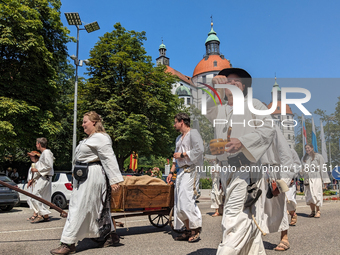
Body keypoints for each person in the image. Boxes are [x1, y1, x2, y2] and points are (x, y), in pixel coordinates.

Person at [207, 68, 275, 255]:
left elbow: (269, 129)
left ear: (243, 87)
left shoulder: (254, 104)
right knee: (246, 217)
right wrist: (215, 88)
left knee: (232, 217)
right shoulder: (220, 109)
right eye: (228, 81)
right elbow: (205, 109)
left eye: (236, 81)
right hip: (226, 172)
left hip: (247, 168)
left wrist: (243, 142)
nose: (232, 83)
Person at [50, 111, 124, 255]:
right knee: (96, 208)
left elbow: (109, 157)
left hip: (93, 175)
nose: (82, 124)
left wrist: (114, 180)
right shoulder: (88, 139)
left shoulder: (101, 138)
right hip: (83, 175)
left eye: (85, 122)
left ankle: (68, 242)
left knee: (78, 207)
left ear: (94, 123)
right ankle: (110, 235)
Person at [166, 112, 204, 243]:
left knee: (187, 199)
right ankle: (187, 230)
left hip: (191, 169)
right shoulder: (178, 138)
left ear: (182, 121)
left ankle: (195, 229)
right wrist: (171, 172)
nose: (174, 124)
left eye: (175, 122)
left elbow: (200, 150)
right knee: (180, 201)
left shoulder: (193, 134)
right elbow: (175, 157)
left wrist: (182, 154)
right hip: (181, 172)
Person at [27, 138, 54, 223]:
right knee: (43, 197)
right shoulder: (44, 154)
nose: (36, 145)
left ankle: (41, 214)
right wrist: (33, 179)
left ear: (39, 144)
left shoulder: (46, 153)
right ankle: (45, 216)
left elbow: (49, 166)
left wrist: (37, 170)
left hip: (45, 177)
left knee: (35, 195)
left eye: (36, 144)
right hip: (43, 176)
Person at [301, 143, 330, 218]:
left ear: (312, 148)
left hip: (316, 177)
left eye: (308, 148)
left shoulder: (318, 156)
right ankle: (312, 211)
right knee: (309, 195)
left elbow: (323, 169)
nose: (307, 149)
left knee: (316, 194)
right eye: (306, 148)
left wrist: (325, 181)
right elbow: (301, 169)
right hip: (307, 178)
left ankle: (318, 211)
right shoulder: (304, 158)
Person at [26, 151, 41, 221]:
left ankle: (37, 214)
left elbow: (37, 174)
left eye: (32, 156)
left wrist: (31, 180)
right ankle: (35, 213)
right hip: (33, 183)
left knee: (35, 198)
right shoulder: (34, 164)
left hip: (36, 182)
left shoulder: (38, 164)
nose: (30, 157)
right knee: (32, 198)